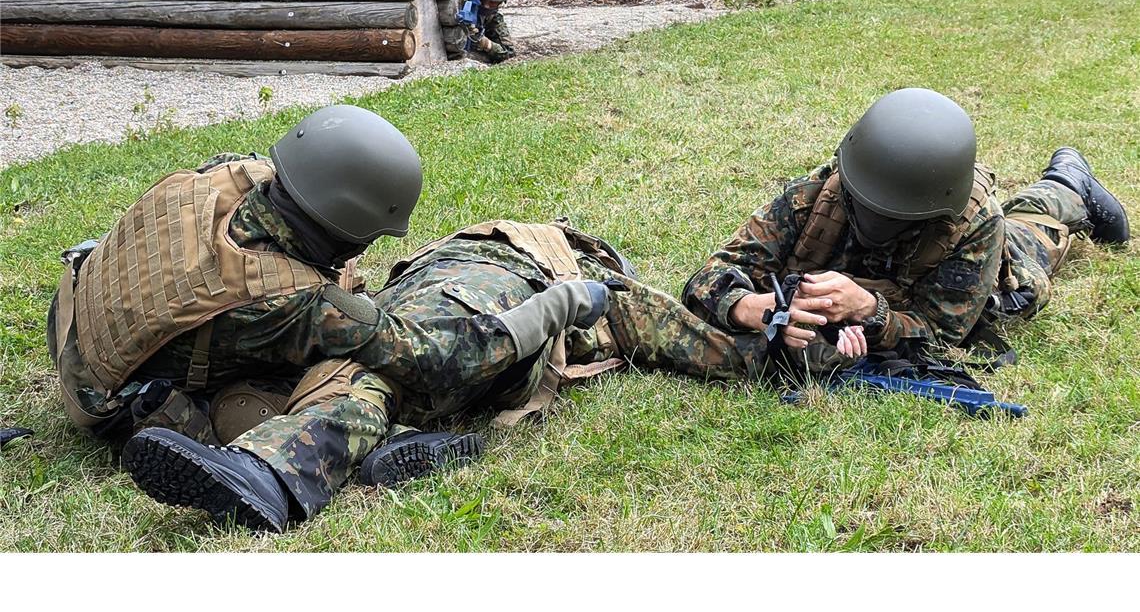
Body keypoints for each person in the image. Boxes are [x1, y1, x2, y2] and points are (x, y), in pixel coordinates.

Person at [118, 217, 815, 532]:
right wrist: (781, 355)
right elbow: (695, 343)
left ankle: (269, 470)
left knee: (365, 377)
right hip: (489, 330)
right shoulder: (597, 283)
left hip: (443, 320)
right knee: (383, 380)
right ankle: (392, 445)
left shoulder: (546, 269)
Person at [47, 104, 505, 531]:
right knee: (350, 378)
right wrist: (549, 312)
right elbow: (431, 359)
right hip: (119, 408)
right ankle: (289, 462)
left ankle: (397, 444)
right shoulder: (292, 300)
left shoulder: (225, 175)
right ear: (351, 228)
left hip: (75, 331)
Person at [682, 88, 1129, 376]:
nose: (877, 221)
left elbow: (942, 335)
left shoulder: (972, 226)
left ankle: (1069, 182)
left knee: (1032, 228)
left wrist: (870, 311)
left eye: (897, 215)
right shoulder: (815, 196)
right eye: (867, 205)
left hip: (1000, 260)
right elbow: (716, 273)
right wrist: (749, 308)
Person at [456, 0, 515, 64]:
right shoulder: (453, 2)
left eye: (493, 2)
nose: (487, 6)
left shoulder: (492, 16)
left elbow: (509, 52)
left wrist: (485, 43)